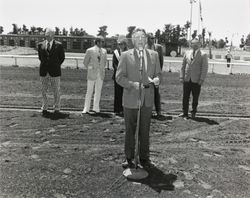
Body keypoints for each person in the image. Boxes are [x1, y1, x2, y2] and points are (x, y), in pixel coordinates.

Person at [116, 28, 161, 168]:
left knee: (145, 130)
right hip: (130, 98)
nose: (140, 40)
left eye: (143, 37)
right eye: (137, 37)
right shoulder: (125, 55)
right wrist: (132, 84)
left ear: (146, 39)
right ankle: (129, 157)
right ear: (133, 40)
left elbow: (159, 74)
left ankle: (144, 157)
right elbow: (119, 77)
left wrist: (158, 79)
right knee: (130, 130)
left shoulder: (154, 55)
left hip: (148, 98)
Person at [38, 28, 65, 116]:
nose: (47, 36)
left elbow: (62, 58)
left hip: (55, 72)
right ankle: (44, 107)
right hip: (44, 72)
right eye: (46, 34)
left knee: (56, 90)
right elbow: (40, 57)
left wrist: (55, 65)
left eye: (48, 34)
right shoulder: (40, 45)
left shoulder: (59, 45)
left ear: (53, 35)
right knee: (43, 90)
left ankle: (57, 107)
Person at [179, 38, 208, 120]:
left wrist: (201, 79)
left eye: (196, 44)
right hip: (187, 79)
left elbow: (204, 68)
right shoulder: (187, 53)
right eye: (193, 44)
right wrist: (181, 76)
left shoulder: (203, 54)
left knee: (195, 97)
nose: (194, 46)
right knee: (185, 97)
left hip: (197, 80)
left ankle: (193, 112)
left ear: (199, 45)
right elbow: (183, 66)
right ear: (190, 44)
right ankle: (185, 113)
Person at [82, 36, 107, 114]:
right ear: (97, 42)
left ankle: (96, 108)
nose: (103, 43)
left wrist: (102, 69)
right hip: (92, 74)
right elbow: (85, 62)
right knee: (89, 91)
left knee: (98, 91)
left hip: (100, 74)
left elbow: (104, 62)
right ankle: (86, 108)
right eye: (102, 42)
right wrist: (91, 68)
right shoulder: (90, 50)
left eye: (103, 42)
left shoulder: (104, 51)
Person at [146, 33, 164, 118]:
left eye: (153, 38)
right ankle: (147, 111)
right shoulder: (143, 47)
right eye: (150, 38)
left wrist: (158, 74)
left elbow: (161, 61)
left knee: (156, 93)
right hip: (145, 75)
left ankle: (158, 111)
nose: (152, 40)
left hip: (155, 75)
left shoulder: (159, 48)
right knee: (146, 93)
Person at [112, 35, 128, 116]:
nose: (120, 45)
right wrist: (119, 71)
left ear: (125, 44)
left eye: (121, 44)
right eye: (119, 44)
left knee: (125, 93)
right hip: (117, 76)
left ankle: (124, 109)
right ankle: (117, 109)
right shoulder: (115, 52)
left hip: (126, 76)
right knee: (117, 93)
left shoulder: (128, 52)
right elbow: (114, 64)